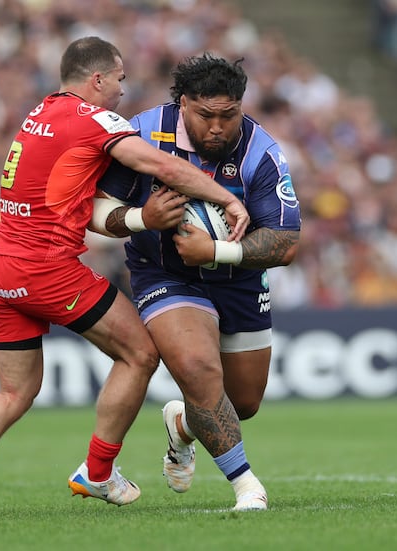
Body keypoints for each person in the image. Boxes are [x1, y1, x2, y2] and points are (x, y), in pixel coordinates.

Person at [0, 37, 249, 519]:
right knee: (140, 352)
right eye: (120, 80)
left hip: (0, 267)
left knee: (14, 393)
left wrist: (137, 218)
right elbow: (158, 162)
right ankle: (98, 470)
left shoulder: (37, 115)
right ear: (97, 80)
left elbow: (82, 202)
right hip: (46, 267)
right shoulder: (93, 120)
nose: (122, 92)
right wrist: (228, 198)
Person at [93, 53, 301, 511]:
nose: (218, 128)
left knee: (241, 403)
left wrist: (217, 251)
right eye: (206, 115)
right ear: (183, 104)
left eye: (229, 115)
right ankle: (246, 484)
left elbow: (286, 244)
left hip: (238, 279)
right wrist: (140, 217)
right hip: (165, 274)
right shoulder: (145, 133)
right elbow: (93, 208)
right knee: (198, 369)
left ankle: (183, 423)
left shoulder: (261, 152)